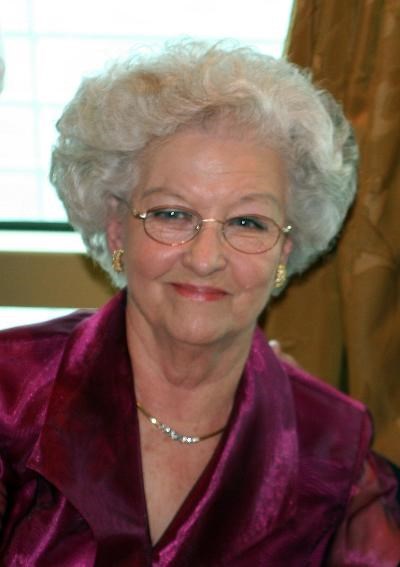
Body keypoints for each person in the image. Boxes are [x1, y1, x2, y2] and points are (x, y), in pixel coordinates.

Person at [0, 41, 399, 566]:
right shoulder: (11, 395)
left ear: (284, 249)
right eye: (172, 214)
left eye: (248, 222)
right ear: (117, 229)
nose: (206, 258)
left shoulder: (334, 449)